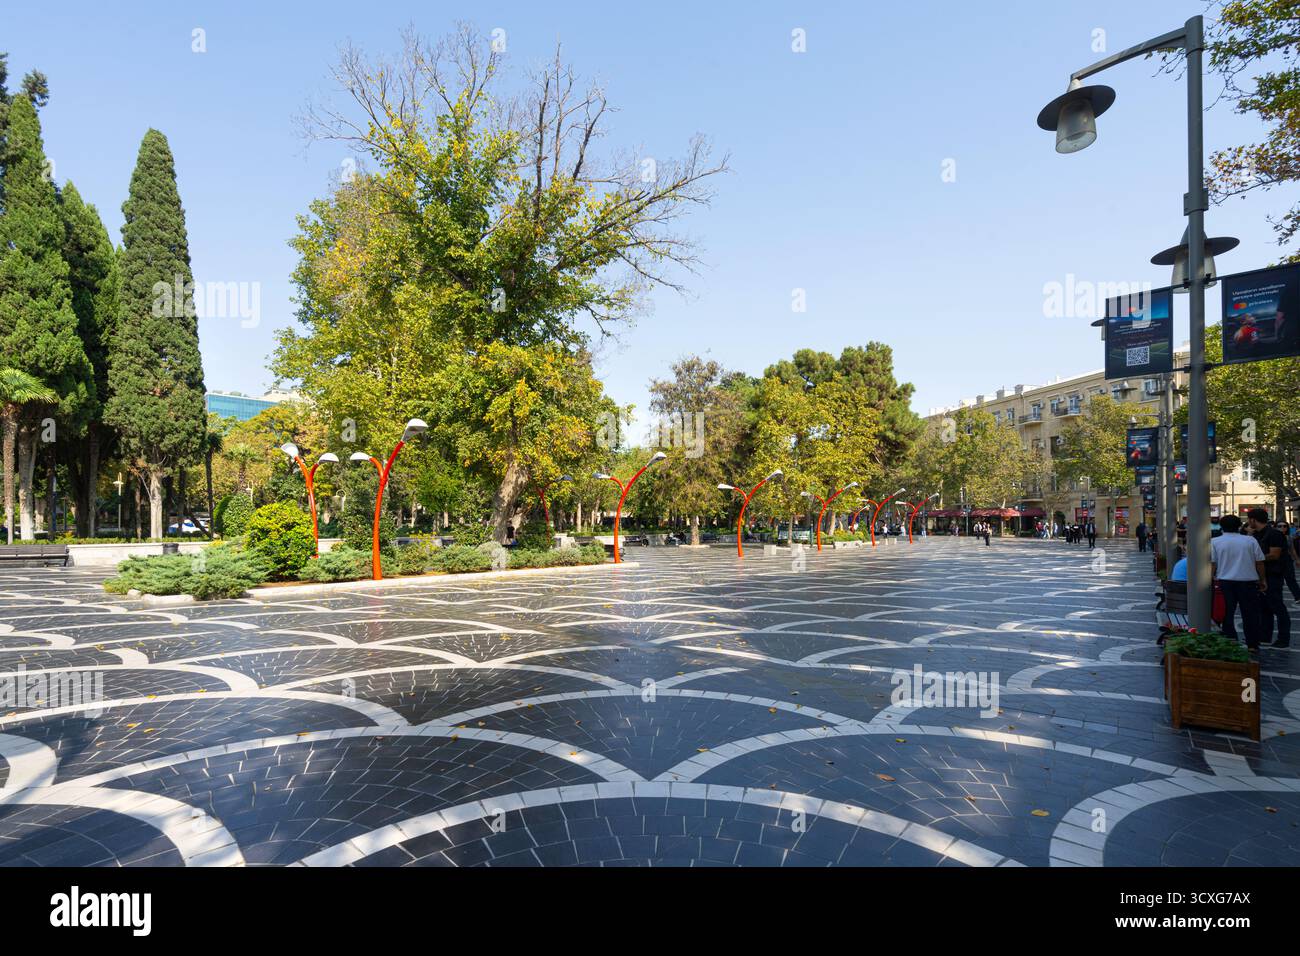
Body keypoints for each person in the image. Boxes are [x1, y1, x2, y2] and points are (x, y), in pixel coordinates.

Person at [1211, 514, 1267, 651]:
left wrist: (1211, 577)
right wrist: (1262, 580)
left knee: (1227, 613)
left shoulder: (1214, 541)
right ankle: (1252, 644)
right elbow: (1259, 562)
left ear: (1221, 526)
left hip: (1225, 582)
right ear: (1239, 526)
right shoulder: (1250, 540)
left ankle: (1230, 640)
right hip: (1248, 582)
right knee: (1250, 614)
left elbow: (1212, 564)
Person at [1247, 508, 1291, 648]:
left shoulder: (1274, 534)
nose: (1248, 522)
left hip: (1273, 575)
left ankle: (1283, 639)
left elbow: (1274, 554)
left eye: (1249, 519)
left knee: (1278, 607)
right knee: (1264, 608)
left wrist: (1255, 558)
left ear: (1253, 519)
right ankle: (1265, 636)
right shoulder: (1256, 535)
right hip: (1262, 575)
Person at [1277, 520, 1300, 603]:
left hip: (1287, 560)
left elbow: (1292, 549)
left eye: (1284, 526)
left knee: (1291, 579)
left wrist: (1297, 560)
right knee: (1277, 581)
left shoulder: (1288, 537)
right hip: (1275, 561)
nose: (1282, 528)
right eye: (1280, 526)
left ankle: (1298, 596)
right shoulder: (1272, 536)